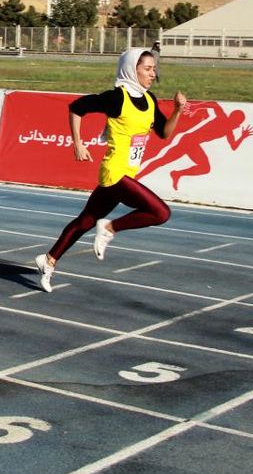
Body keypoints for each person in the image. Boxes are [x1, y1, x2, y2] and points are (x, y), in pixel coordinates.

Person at [34, 48, 187, 292]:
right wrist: (78, 142)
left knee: (85, 221)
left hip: (128, 174)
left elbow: (164, 133)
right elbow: (76, 107)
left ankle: (49, 260)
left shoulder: (149, 99)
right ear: (131, 69)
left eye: (153, 69)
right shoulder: (117, 99)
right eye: (147, 69)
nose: (152, 73)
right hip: (115, 172)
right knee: (160, 213)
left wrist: (178, 110)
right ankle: (109, 228)